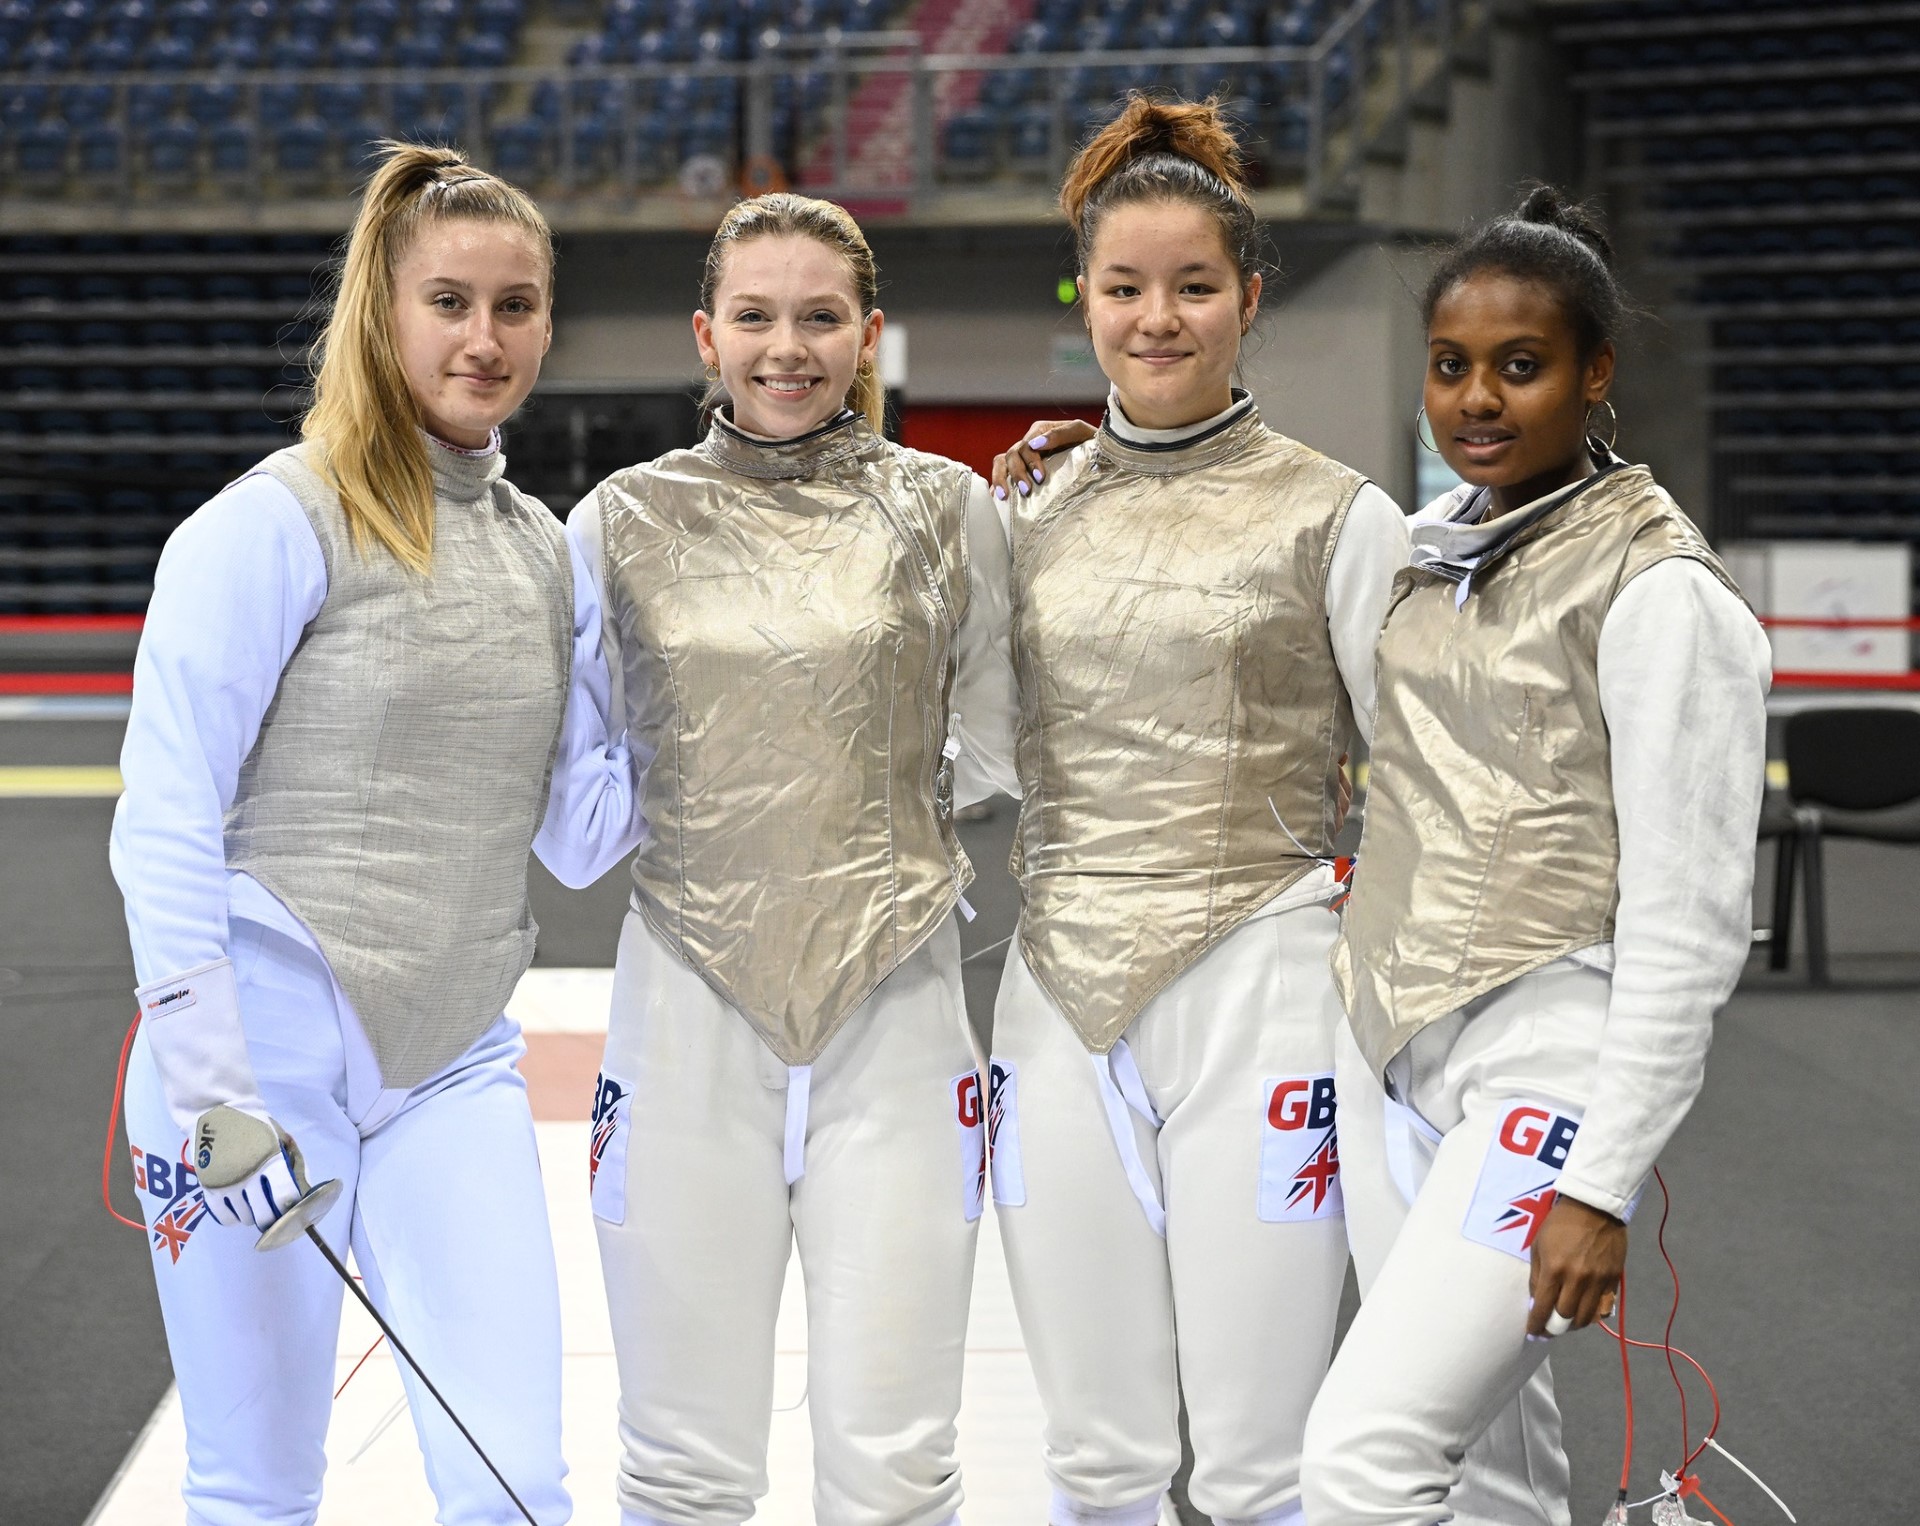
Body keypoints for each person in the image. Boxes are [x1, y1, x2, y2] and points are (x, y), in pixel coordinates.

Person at [112, 142, 639, 1525]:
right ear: (383, 311)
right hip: (254, 1061)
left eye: (515, 305)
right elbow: (162, 813)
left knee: (516, 1477)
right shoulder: (274, 522)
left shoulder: (540, 548)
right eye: (450, 301)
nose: (485, 337)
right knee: (254, 1484)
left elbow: (581, 838)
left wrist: (735, 707)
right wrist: (212, 1082)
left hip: (451, 1058)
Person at [1298, 187, 1771, 1525]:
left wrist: (1601, 1182)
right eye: (1453, 366)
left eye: (1522, 365)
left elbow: (1687, 929)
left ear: (1596, 372)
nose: (1479, 399)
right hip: (1388, 1051)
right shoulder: (1437, 548)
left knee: (1360, 1460)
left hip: (1541, 1066)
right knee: (1488, 1475)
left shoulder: (1663, 590)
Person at [983, 95, 1411, 1526]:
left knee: (1255, 1461)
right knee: (1095, 1455)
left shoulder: (1341, 517)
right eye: (1123, 287)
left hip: (1266, 989)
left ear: (1249, 297)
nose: (1155, 318)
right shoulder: (1027, 510)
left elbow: (1423, 775)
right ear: (1084, 297)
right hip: (1053, 1004)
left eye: (1192, 286)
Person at [565, 191, 1019, 1526]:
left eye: (821, 317)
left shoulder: (950, 508)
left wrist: (866, 813)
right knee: (681, 1459)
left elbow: (991, 742)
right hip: (684, 1009)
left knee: (896, 1460)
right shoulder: (617, 521)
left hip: (900, 1007)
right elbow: (573, 766)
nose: (788, 347)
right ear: (706, 333)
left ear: (870, 333)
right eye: (755, 317)